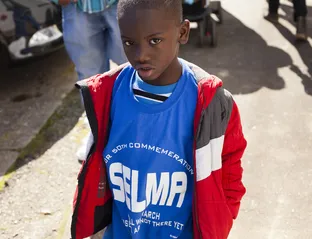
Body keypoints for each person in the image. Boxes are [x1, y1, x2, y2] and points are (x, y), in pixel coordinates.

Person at [71, 0, 247, 239]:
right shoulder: (105, 96)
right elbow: (92, 168)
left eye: (155, 40)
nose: (141, 54)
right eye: (129, 42)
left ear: (182, 32)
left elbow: (230, 168)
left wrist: (221, 219)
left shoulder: (212, 103)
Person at [51, 0, 127, 161]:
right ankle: (96, 132)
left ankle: (140, 129)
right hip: (76, 7)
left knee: (133, 65)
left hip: (122, 4)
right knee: (89, 75)